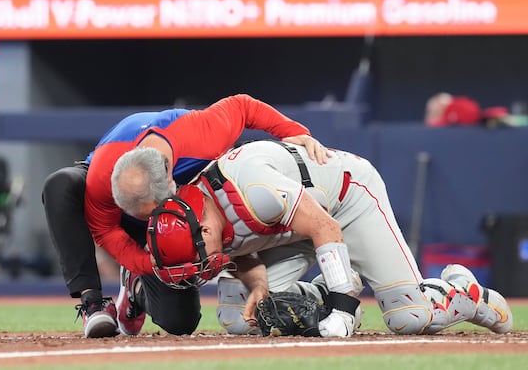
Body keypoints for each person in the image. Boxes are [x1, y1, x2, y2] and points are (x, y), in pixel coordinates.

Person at [139, 140, 514, 337]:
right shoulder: (199, 214)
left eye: (196, 259)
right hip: (286, 226)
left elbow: (324, 228)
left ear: (205, 231)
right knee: (241, 319)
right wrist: (257, 285)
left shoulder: (255, 189)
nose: (198, 271)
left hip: (344, 202)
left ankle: (464, 292)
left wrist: (343, 307)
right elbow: (241, 249)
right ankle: (325, 288)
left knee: (409, 317)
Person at [42, 94, 328, 338]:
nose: (146, 222)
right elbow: (105, 231)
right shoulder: (101, 177)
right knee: (61, 185)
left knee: (180, 322)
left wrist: (292, 130)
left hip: (178, 219)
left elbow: (244, 106)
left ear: (170, 182)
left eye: (150, 214)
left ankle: (136, 288)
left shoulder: (202, 136)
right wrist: (145, 260)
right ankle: (93, 303)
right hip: (116, 209)